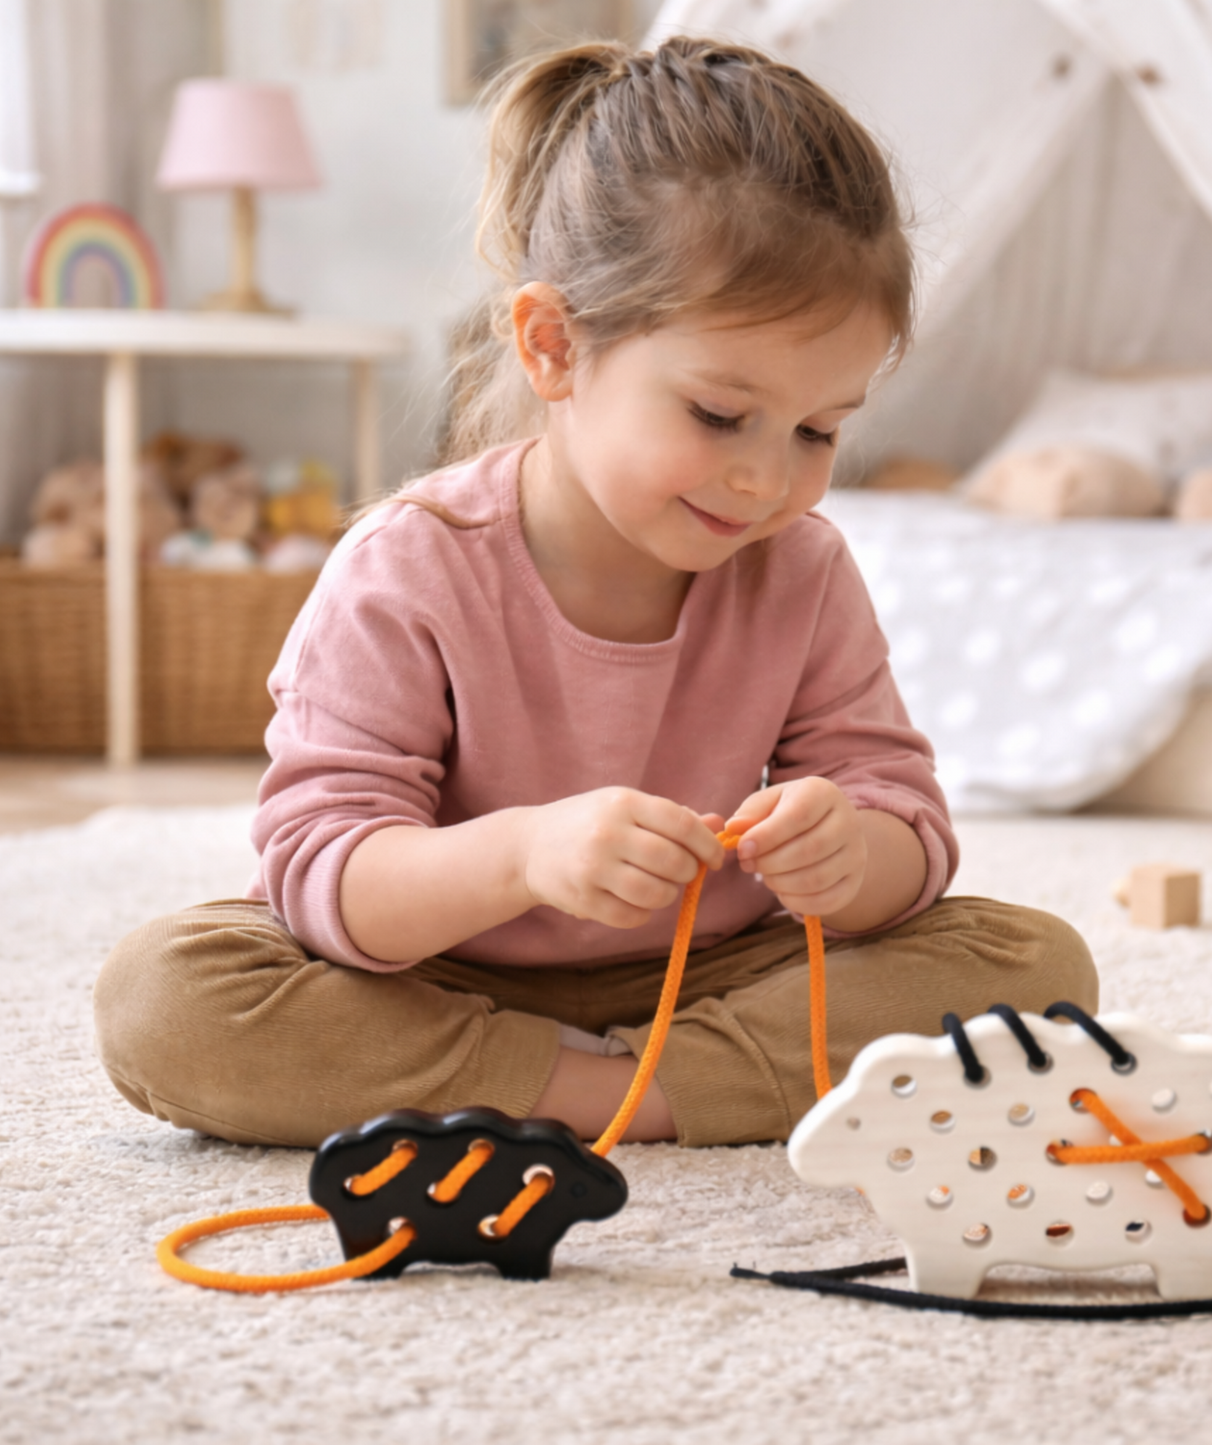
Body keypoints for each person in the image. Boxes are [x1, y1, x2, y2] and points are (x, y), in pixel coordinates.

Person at [95, 36, 1096, 1151]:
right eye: (718, 415)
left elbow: (904, 824)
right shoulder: (410, 564)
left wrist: (854, 853)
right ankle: (629, 1091)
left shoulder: (802, 568)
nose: (767, 478)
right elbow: (324, 874)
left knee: (1036, 968)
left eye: (819, 429)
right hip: (439, 977)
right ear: (554, 346)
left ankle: (617, 1088)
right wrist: (523, 857)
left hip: (715, 975)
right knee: (166, 997)